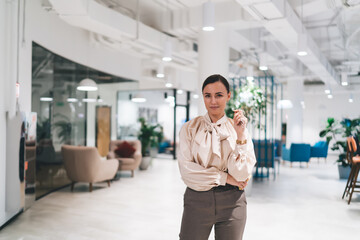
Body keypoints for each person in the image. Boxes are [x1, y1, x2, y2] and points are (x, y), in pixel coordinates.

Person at [178, 74, 256, 240]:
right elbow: (187, 172)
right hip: (197, 199)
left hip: (232, 202)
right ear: (203, 97)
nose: (213, 101)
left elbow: (242, 175)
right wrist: (226, 177)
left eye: (219, 95)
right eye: (208, 96)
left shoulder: (239, 129)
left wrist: (240, 136)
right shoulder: (190, 128)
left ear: (228, 96)